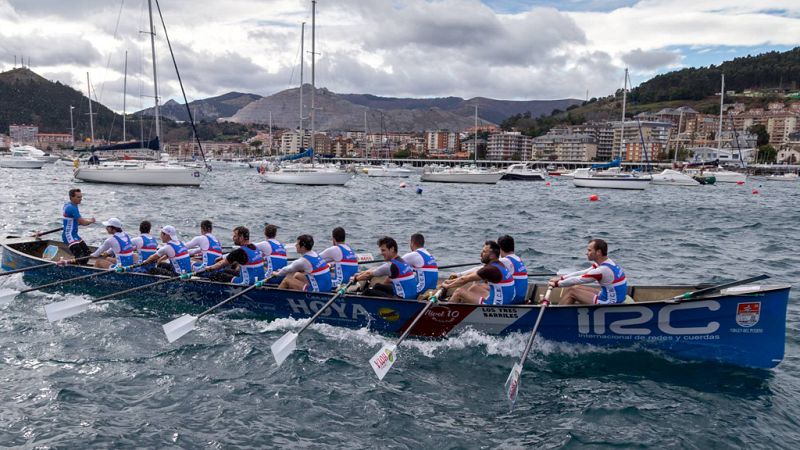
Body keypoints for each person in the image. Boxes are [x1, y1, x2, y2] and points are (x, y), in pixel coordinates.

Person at [549, 239, 627, 305]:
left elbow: (577, 279)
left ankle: (556, 315)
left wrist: (556, 284)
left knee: (572, 292)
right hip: (613, 296)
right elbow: (582, 273)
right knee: (575, 287)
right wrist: (561, 278)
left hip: (610, 303)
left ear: (598, 252)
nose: (586, 253)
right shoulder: (608, 262)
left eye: (589, 250)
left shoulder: (602, 270)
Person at [442, 240, 515, 305]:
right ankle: (463, 306)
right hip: (506, 299)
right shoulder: (498, 264)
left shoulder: (490, 269)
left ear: (492, 255)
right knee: (475, 287)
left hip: (496, 304)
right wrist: (451, 281)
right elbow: (470, 275)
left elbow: (464, 280)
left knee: (458, 291)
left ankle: (447, 312)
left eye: (484, 252)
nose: (481, 254)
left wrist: (447, 286)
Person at [61, 188, 96, 263]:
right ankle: (75, 268)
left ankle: (80, 264)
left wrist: (85, 220)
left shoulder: (69, 205)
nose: (80, 199)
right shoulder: (72, 208)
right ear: (71, 197)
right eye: (78, 197)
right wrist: (91, 221)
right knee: (81, 257)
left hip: (74, 235)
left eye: (81, 197)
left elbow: (78, 220)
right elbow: (83, 223)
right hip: (69, 236)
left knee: (87, 253)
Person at [498, 235, 528, 304]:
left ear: (500, 248)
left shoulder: (505, 260)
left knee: (478, 287)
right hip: (520, 297)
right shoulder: (518, 259)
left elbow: (483, 269)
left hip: (513, 300)